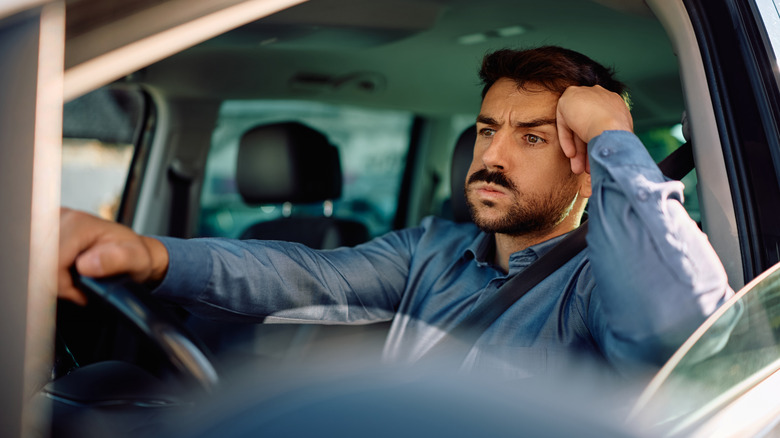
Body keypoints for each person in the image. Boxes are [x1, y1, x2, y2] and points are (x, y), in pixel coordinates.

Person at [58, 46, 733, 376]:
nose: (492, 155)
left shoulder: (595, 281)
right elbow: (305, 276)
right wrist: (150, 255)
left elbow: (675, 337)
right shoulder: (433, 250)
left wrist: (614, 137)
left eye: (532, 136)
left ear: (585, 162)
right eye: (486, 128)